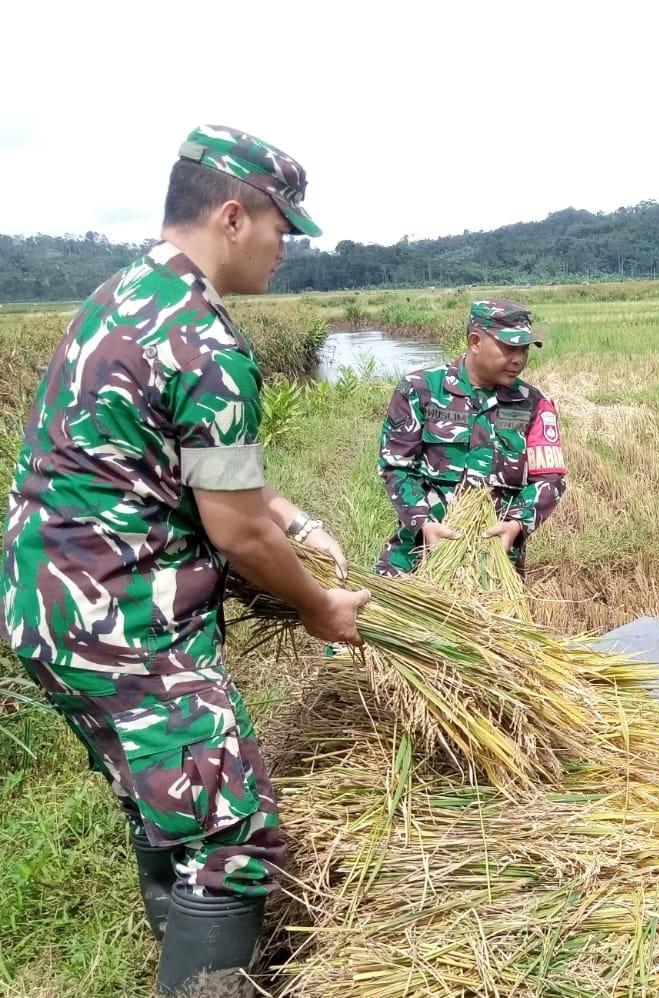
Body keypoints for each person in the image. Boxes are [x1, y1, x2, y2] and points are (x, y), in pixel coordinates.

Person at [0, 125, 369, 995]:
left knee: (168, 804)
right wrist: (320, 606)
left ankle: (191, 960)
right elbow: (239, 535)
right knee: (231, 840)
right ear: (234, 217)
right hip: (126, 628)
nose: (290, 248)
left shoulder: (124, 297)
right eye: (285, 228)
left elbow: (186, 467)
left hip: (50, 612)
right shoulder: (206, 341)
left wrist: (295, 514)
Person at [375, 299, 566, 575]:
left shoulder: (534, 405)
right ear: (475, 341)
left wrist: (516, 525)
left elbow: (550, 480)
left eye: (524, 349)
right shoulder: (420, 391)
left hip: (494, 565)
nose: (519, 359)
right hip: (418, 554)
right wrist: (424, 523)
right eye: (510, 347)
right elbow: (396, 467)